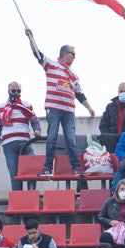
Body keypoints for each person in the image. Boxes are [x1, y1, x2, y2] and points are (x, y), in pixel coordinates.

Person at [24, 30, 96, 178]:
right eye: (72, 54)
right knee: (51, 137)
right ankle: (47, 167)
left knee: (71, 139)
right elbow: (37, 53)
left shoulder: (73, 74)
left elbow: (79, 93)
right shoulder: (51, 65)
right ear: (64, 53)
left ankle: (77, 167)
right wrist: (31, 37)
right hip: (54, 109)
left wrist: (89, 108)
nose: (74, 57)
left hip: (69, 111)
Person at [0, 82, 44, 191]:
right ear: (8, 91)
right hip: (8, 144)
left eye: (18, 91)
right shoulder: (1, 107)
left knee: (32, 171)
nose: (16, 93)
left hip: (25, 142)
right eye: (13, 91)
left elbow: (34, 120)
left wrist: (37, 130)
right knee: (14, 174)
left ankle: (31, 196)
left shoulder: (26, 105)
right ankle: (18, 199)